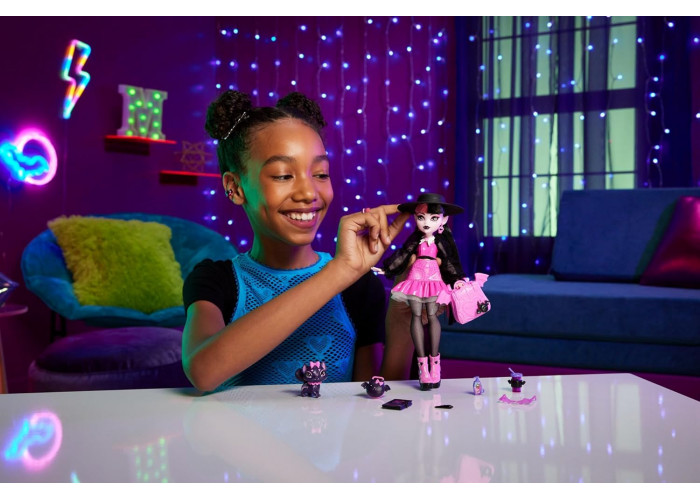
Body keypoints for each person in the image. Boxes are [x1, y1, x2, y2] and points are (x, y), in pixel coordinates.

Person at [181, 90, 410, 392]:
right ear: (235, 187)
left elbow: (368, 398)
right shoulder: (214, 280)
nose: (309, 193)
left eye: (321, 174)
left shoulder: (359, 286)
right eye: (282, 175)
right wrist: (341, 271)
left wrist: (404, 317)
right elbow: (203, 371)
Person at [373, 193, 467, 390]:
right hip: (415, 278)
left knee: (431, 316)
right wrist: (387, 269)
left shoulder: (440, 242)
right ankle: (423, 368)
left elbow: (449, 262)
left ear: (443, 220)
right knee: (416, 316)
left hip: (433, 279)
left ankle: (435, 365)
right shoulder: (415, 241)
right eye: (421, 217)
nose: (426, 223)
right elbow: (403, 254)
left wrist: (457, 279)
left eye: (433, 218)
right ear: (415, 218)